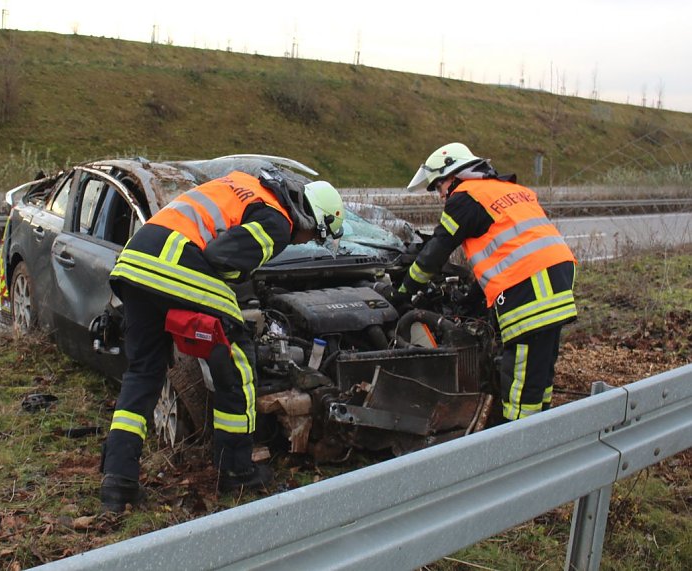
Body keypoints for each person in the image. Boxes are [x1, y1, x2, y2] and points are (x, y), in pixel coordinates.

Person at [100, 168, 345, 512]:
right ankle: (236, 469)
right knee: (239, 359)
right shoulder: (278, 221)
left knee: (143, 373)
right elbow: (221, 258)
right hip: (175, 265)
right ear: (309, 217)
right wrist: (232, 301)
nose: (305, 241)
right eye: (314, 235)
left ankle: (118, 483)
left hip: (135, 262)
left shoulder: (246, 184)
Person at [403, 142, 577, 424]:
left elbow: (435, 252)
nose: (440, 195)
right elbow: (505, 252)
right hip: (557, 279)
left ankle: (516, 445)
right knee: (539, 371)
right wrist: (473, 296)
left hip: (529, 286)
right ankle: (542, 428)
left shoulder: (465, 196)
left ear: (454, 175)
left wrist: (403, 290)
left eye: (438, 186)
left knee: (518, 375)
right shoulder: (508, 190)